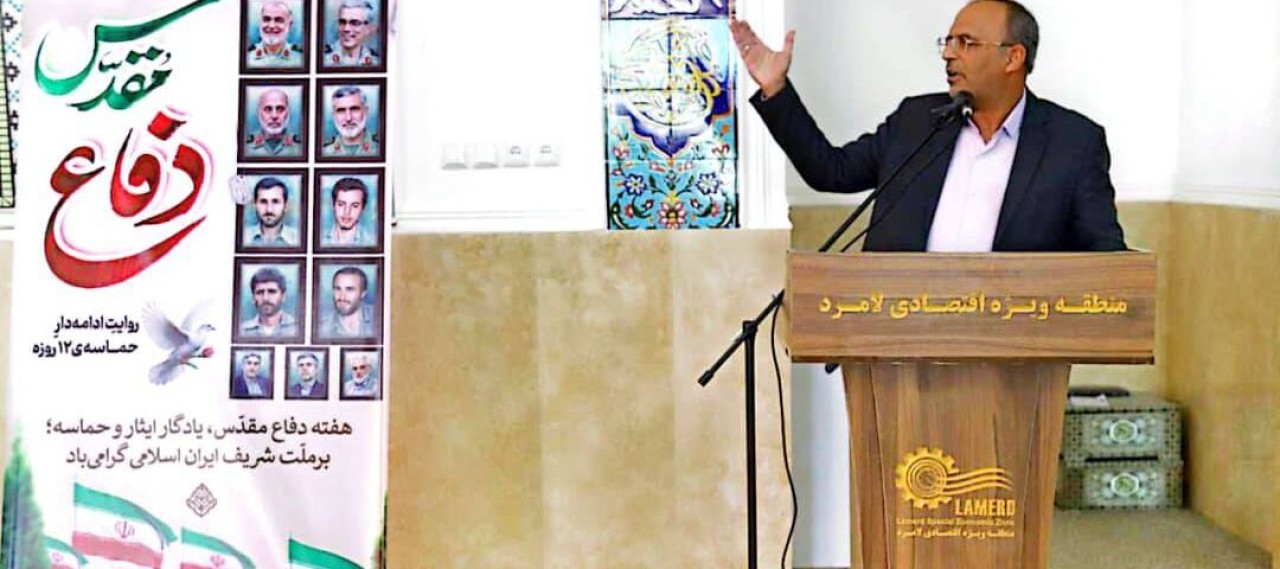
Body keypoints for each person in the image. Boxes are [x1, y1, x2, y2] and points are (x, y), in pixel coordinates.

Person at [731, 0, 1126, 252]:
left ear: (1013, 58)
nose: (948, 54)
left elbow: (1107, 257)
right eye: (948, 42)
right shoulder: (918, 122)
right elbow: (829, 170)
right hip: (900, 340)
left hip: (1014, 347)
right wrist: (776, 89)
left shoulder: (1073, 144)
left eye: (966, 43)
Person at [240, 267, 300, 337]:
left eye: (272, 292)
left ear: (283, 296)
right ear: (253, 298)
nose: (265, 298)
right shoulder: (242, 331)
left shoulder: (297, 329)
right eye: (260, 292)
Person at [322, 86, 379, 157]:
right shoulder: (324, 152)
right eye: (341, 110)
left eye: (354, 109)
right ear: (334, 115)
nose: (348, 118)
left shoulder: (383, 149)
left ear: (366, 111)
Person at [319, 267, 376, 338]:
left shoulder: (380, 317)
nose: (342, 297)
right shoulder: (322, 327)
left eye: (349, 289)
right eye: (338, 289)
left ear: (363, 293)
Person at [245, 88, 302, 157]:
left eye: (280, 109)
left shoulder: (301, 146)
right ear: (258, 112)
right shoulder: (245, 146)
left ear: (288, 112)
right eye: (268, 109)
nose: (274, 116)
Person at [324, 0, 381, 67]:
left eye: (354, 23)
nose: (346, 29)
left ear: (367, 28)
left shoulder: (376, 61)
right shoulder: (324, 58)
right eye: (342, 22)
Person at [247, 1, 303, 69]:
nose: (272, 26)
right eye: (266, 19)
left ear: (290, 25)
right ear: (260, 23)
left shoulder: (301, 58)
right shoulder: (247, 55)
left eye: (279, 20)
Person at [246, 177, 298, 246]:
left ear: (285, 206)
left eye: (275, 202)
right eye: (263, 202)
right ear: (255, 205)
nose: (269, 209)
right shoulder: (243, 237)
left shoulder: (297, 238)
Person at [325, 177, 372, 245]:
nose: (347, 212)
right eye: (341, 204)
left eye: (354, 206)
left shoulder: (370, 242)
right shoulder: (318, 238)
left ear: (363, 208)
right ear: (333, 205)